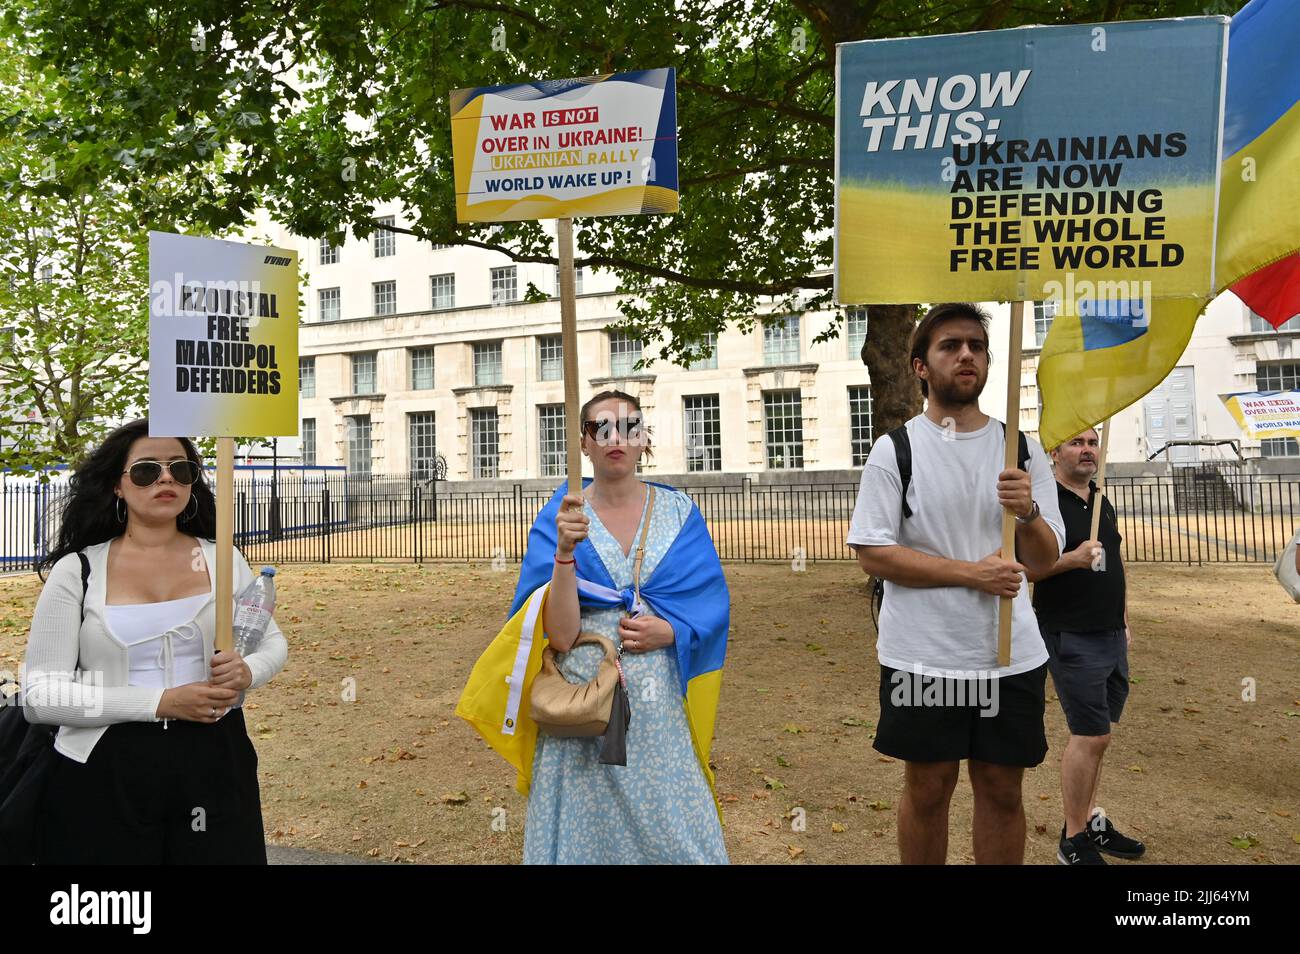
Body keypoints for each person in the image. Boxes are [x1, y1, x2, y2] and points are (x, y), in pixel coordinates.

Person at [459, 389, 730, 864]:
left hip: (657, 705)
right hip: (583, 705)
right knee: (587, 836)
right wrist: (564, 553)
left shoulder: (680, 513)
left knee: (672, 827)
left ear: (645, 437)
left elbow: (710, 606)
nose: (615, 438)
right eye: (600, 428)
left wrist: (668, 631)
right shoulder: (560, 516)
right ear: (583, 443)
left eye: (628, 426)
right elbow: (559, 637)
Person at [847, 302, 1065, 865]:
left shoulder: (1020, 449)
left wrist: (1030, 511)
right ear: (921, 366)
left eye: (976, 345)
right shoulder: (896, 450)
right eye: (950, 346)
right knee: (929, 787)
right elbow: (873, 551)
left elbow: (1044, 559)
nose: (966, 354)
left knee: (1000, 788)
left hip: (1009, 656)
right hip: (923, 655)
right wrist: (972, 573)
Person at [22, 418, 287, 864]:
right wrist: (161, 702)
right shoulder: (78, 572)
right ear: (117, 486)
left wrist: (249, 671)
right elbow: (40, 696)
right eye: (146, 469)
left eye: (179, 469)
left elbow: (271, 644)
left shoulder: (222, 559)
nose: (166, 478)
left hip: (215, 760)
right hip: (103, 769)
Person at [1029, 428, 1145, 865]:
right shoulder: (1045, 508)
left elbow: (1116, 564)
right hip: (1070, 633)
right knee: (1089, 733)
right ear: (1055, 453)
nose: (1087, 450)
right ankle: (1073, 840)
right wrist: (1071, 560)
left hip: (1111, 635)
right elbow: (1025, 569)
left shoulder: (1099, 499)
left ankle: (1087, 821)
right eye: (1076, 443)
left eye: (1093, 442)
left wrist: (1125, 621)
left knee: (1101, 736)